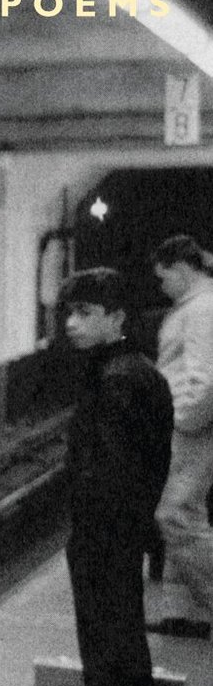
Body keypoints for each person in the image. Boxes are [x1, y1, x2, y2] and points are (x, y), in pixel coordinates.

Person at [46, 268, 173, 686]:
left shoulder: (117, 381)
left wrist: (93, 534)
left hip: (105, 536)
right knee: (121, 644)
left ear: (117, 317)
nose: (72, 324)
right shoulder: (134, 370)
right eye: (69, 313)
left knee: (107, 650)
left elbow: (111, 473)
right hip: (121, 534)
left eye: (86, 313)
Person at [147, 234, 213, 639]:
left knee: (176, 515)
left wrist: (182, 421)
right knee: (185, 514)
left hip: (192, 428)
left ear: (183, 269)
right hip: (190, 424)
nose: (161, 286)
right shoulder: (197, 305)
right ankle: (189, 614)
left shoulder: (204, 309)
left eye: (163, 277)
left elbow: (206, 378)